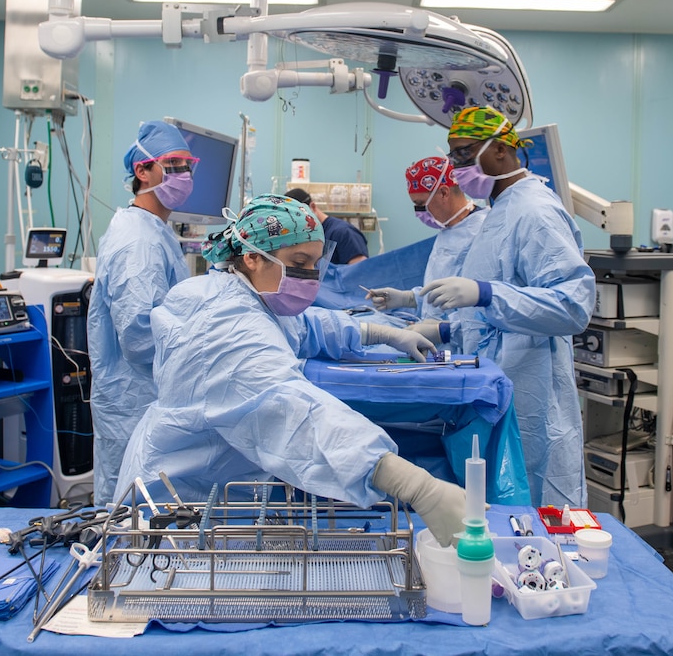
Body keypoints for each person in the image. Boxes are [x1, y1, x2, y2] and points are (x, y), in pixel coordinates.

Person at [113, 195, 466, 546]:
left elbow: (304, 325)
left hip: (216, 493)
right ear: (252, 256)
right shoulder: (225, 327)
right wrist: (412, 484)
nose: (311, 276)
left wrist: (381, 332)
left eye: (315, 263)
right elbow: (294, 412)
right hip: (177, 516)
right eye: (299, 261)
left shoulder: (238, 293)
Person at [411, 106, 596, 509]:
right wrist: (446, 331)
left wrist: (486, 293)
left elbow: (573, 306)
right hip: (500, 383)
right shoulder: (503, 209)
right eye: (453, 156)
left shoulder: (535, 211)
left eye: (463, 154)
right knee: (498, 506)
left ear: (499, 150)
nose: (455, 167)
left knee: (535, 506)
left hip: (530, 389)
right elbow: (490, 320)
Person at [86, 120, 198, 506]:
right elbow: (140, 337)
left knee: (151, 510)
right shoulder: (136, 241)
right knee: (128, 514)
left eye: (188, 166)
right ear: (142, 170)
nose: (184, 175)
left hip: (150, 396)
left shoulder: (155, 231)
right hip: (135, 399)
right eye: (174, 164)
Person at [366, 157, 487, 323]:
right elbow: (443, 291)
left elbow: (483, 304)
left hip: (468, 341)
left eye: (421, 204)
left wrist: (445, 331)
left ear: (444, 193)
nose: (418, 213)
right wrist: (409, 298)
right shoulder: (448, 230)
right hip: (442, 340)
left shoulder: (482, 231)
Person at [284, 187, 368, 264]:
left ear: (312, 207)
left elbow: (360, 272)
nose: (299, 225)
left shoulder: (343, 232)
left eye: (300, 217)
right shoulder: (309, 236)